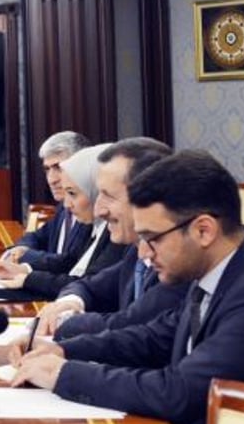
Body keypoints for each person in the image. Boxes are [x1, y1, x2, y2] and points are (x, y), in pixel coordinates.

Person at [9, 151, 244, 424]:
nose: (144, 253)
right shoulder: (216, 269)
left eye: (152, 238)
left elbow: (178, 392)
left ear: (203, 230)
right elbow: (155, 337)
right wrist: (62, 350)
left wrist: (63, 374)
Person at [31, 137, 187, 339]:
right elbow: (89, 286)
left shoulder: (179, 260)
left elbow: (130, 323)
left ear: (147, 197)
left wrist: (62, 324)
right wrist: (69, 302)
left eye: (108, 196)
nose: (98, 210)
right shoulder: (135, 251)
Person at [0, 144, 127, 300]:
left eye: (72, 193)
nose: (67, 204)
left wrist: (28, 279)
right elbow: (68, 261)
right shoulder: (90, 222)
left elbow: (92, 286)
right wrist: (22, 269)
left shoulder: (120, 232)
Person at [0, 131, 93, 264]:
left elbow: (69, 262)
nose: (51, 179)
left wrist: (24, 257)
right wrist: (20, 249)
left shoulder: (90, 209)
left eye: (58, 168)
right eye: (47, 169)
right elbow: (36, 237)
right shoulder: (63, 208)